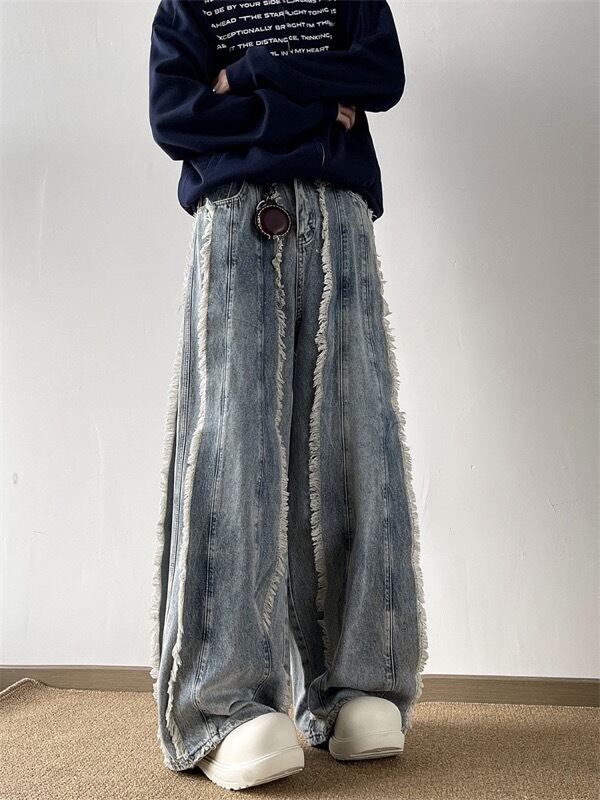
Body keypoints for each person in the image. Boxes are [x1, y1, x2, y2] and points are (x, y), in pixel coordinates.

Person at [148, 0, 428, 790]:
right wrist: (311, 108)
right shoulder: (188, 3)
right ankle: (223, 705)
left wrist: (256, 73)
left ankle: (359, 685)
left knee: (355, 438)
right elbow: (176, 116)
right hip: (234, 217)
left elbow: (381, 75)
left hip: (340, 217)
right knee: (234, 450)